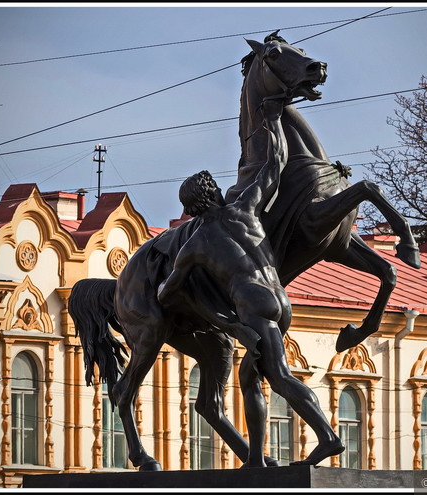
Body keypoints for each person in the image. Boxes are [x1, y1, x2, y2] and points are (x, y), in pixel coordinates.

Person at [157, 98, 343, 468]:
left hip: (254, 308)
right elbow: (273, 164)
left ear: (190, 208)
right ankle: (256, 459)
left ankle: (328, 437)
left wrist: (222, 321)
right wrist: (272, 120)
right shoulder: (246, 206)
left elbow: (167, 292)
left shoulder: (194, 244)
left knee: (279, 375)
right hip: (280, 300)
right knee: (249, 378)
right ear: (213, 190)